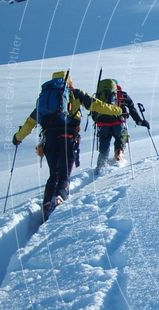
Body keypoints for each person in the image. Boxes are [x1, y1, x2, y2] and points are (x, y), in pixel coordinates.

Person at [12, 70, 123, 220]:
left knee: (53, 174)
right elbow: (97, 105)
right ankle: (59, 198)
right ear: (69, 81)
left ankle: (47, 202)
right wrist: (117, 110)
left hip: (49, 140)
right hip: (68, 137)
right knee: (64, 173)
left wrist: (18, 138)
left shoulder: (45, 99)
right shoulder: (75, 93)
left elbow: (30, 122)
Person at [91, 78, 149, 174]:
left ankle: (100, 167)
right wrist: (140, 121)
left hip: (102, 124)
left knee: (104, 147)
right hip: (118, 123)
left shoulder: (99, 95)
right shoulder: (122, 95)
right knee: (120, 140)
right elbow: (132, 109)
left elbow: (93, 109)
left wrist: (97, 120)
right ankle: (118, 159)